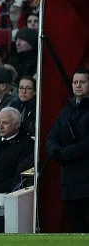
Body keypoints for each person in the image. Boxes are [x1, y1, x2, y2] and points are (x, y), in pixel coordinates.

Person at [46, 68, 89, 233]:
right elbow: (51, 138)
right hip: (69, 182)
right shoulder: (66, 110)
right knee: (76, 228)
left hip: (86, 179)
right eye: (75, 82)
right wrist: (56, 151)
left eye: (83, 82)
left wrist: (65, 153)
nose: (78, 86)